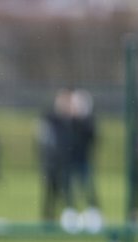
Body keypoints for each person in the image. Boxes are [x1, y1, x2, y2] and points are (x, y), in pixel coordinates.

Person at [64, 88, 101, 232]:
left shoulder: (88, 122)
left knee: (88, 190)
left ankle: (94, 217)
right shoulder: (68, 121)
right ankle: (71, 217)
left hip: (83, 160)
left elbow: (91, 137)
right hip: (70, 160)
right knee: (69, 191)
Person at [36, 89, 72, 227]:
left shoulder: (66, 121)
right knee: (49, 191)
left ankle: (61, 216)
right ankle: (47, 217)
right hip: (50, 162)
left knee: (61, 191)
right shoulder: (52, 118)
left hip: (61, 162)